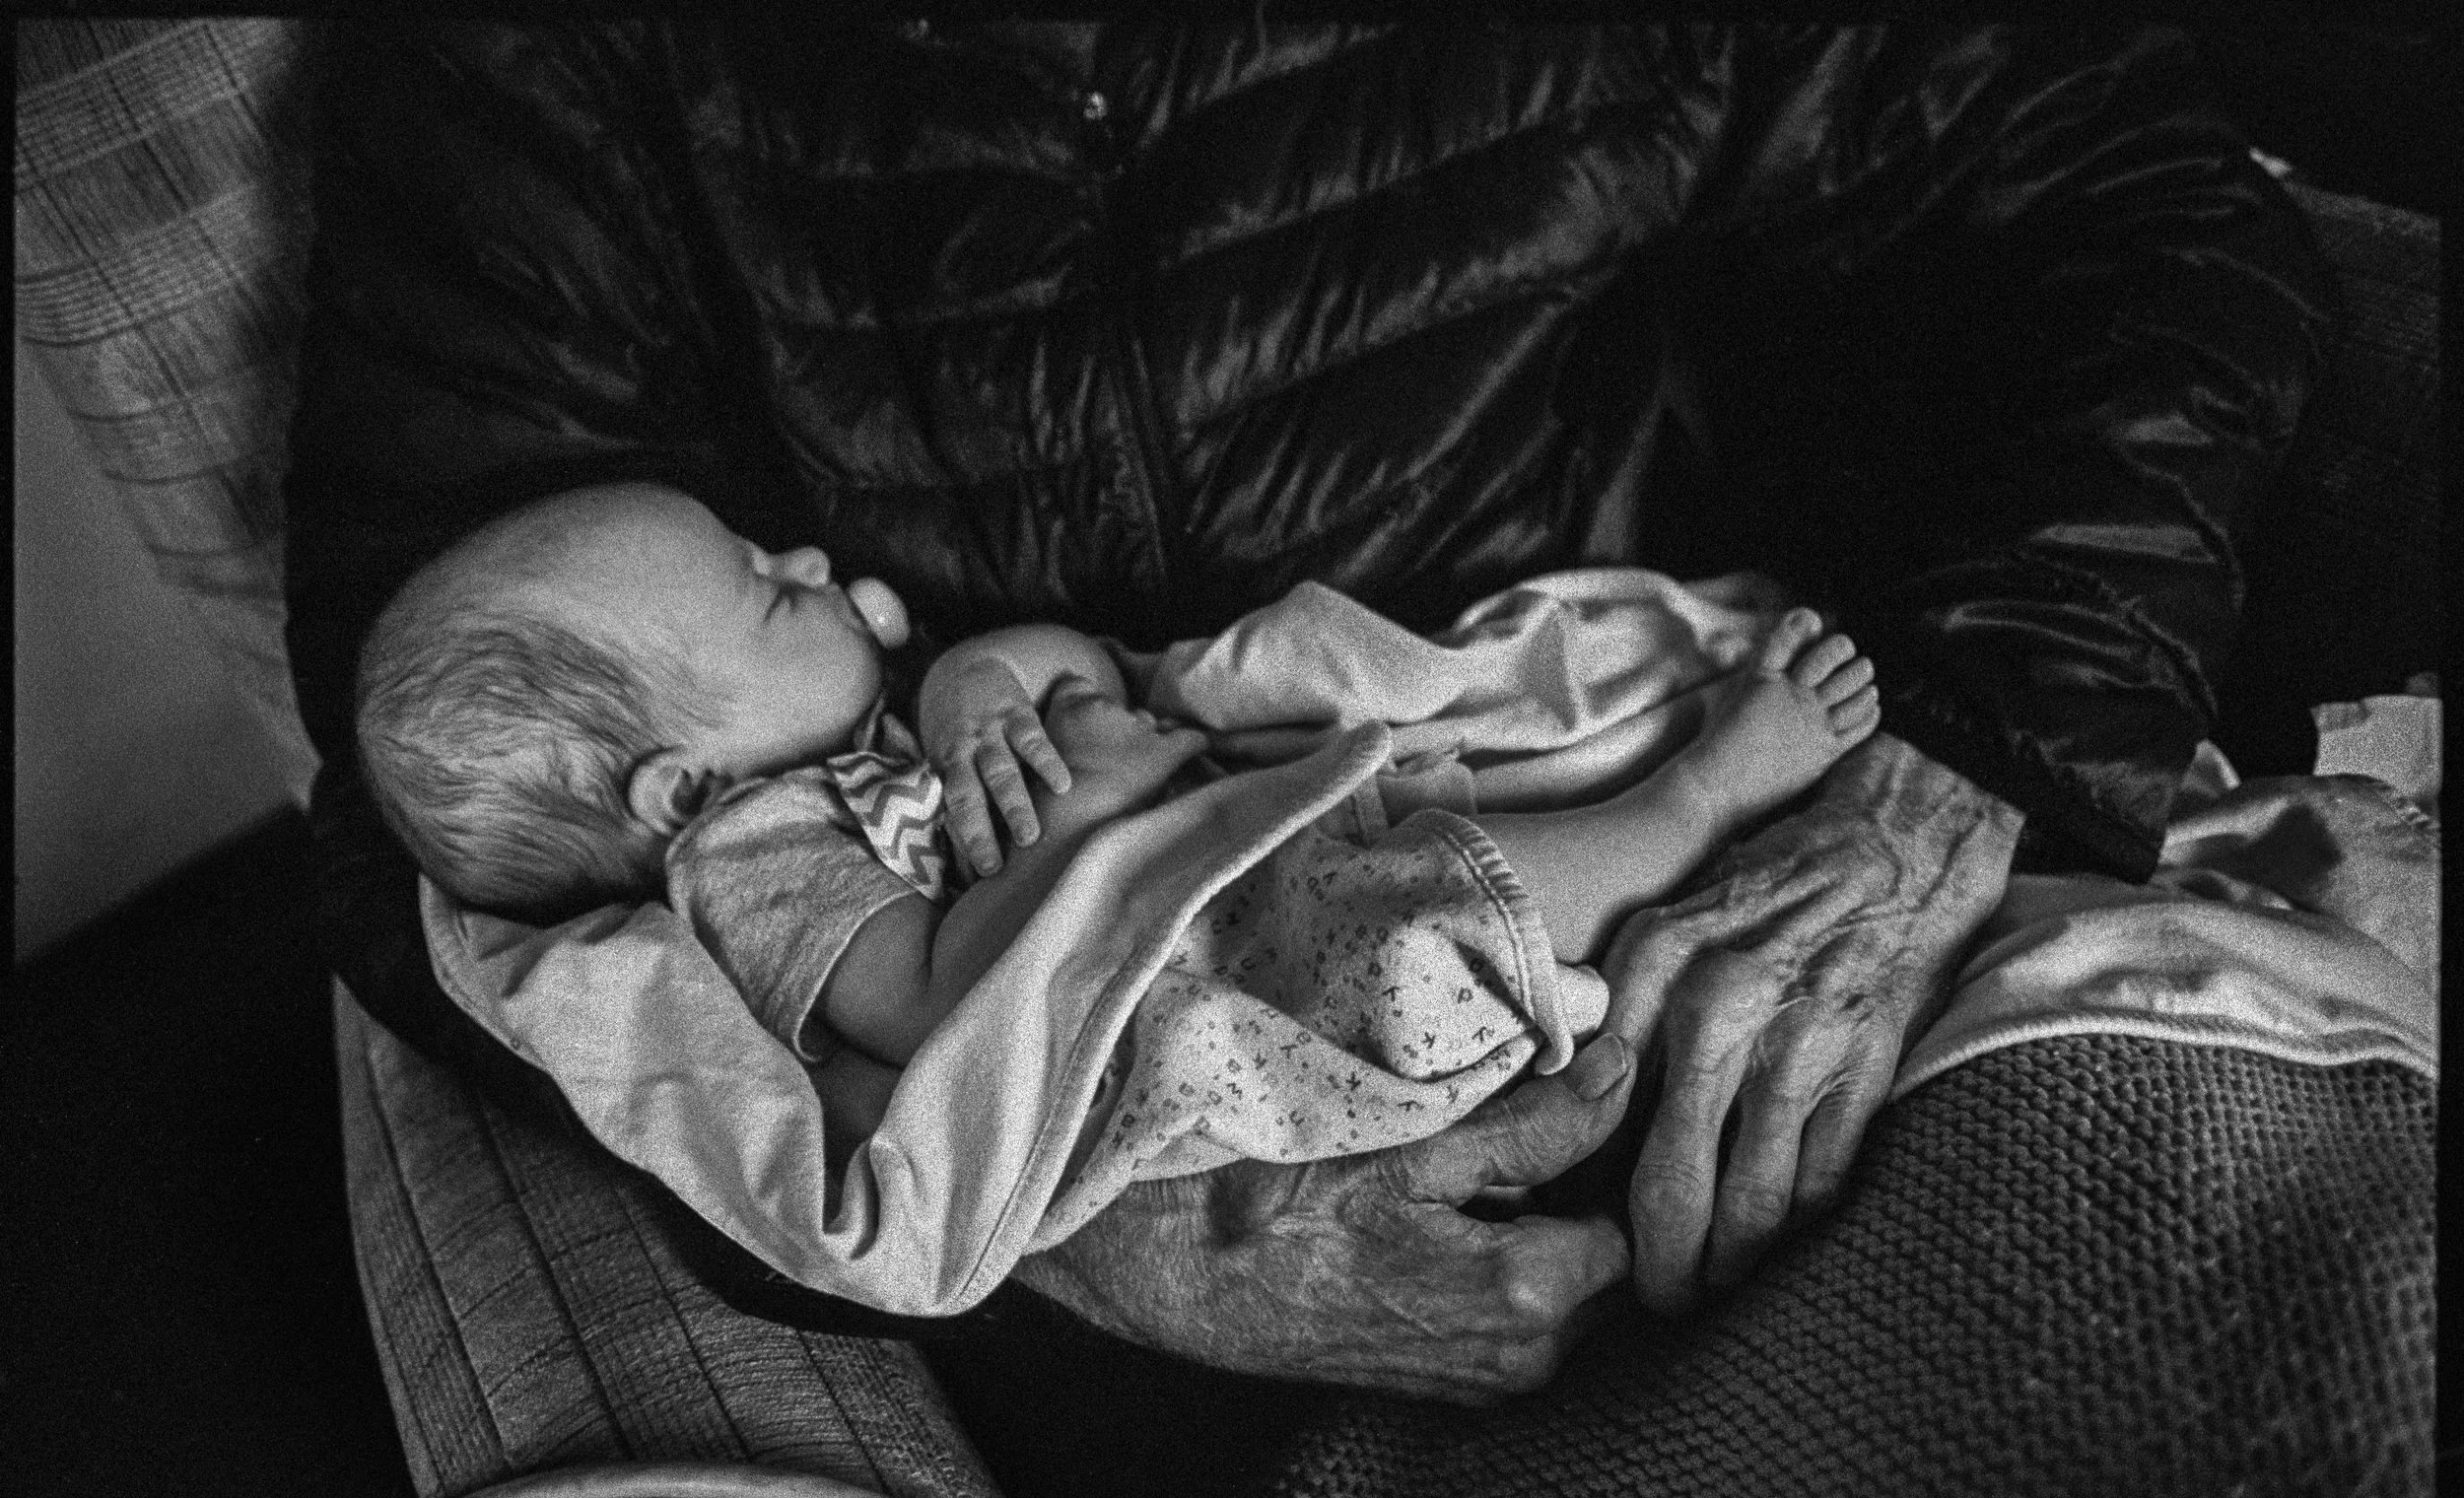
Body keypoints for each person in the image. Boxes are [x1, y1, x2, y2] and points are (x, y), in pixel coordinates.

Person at [287, 21, 2333, 1403]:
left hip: (1630, 782)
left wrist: (1955, 763)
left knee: (2192, 1248)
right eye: (775, 579)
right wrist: (1112, 1225)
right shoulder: (546, 62)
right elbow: (438, 828)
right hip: (1217, 1090)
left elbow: (2152, 209)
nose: (831, 579)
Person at [358, 482, 1882, 1310]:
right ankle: (1696, 799)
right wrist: (1076, 811)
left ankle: (1648, 737)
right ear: (680, 790)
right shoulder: (757, 865)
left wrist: (976, 689)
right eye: (767, 585)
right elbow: (942, 996)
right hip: (1196, 987)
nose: (812, 557)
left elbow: (1072, 663)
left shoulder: (863, 725)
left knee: (1401, 752)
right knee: (1436, 921)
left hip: (1228, 850)